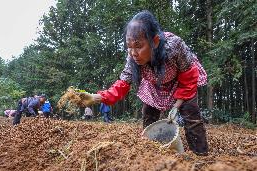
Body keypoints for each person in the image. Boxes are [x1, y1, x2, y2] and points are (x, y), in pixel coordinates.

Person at [74, 10, 209, 156]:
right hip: (153, 86)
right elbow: (123, 83)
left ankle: (200, 155)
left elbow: (188, 77)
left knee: (192, 117)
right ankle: (150, 152)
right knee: (148, 116)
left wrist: (177, 106)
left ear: (155, 41)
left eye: (138, 46)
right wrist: (96, 98)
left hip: (181, 83)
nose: (133, 52)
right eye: (129, 46)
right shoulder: (132, 56)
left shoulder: (174, 46)